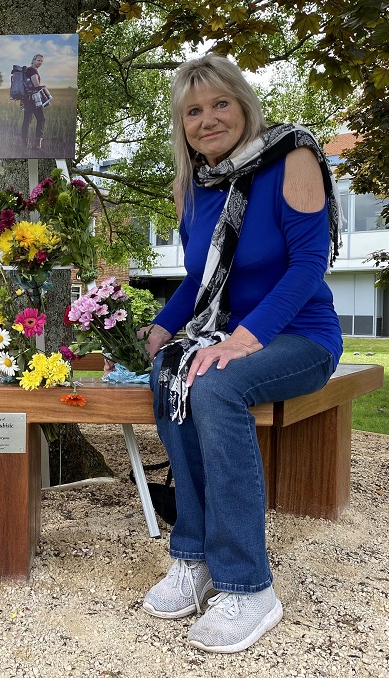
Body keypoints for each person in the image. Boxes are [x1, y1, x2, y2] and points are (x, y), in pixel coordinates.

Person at [140, 54, 343, 654]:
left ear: (244, 105)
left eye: (219, 103)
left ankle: (248, 584)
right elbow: (197, 282)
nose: (207, 120)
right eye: (193, 111)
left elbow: (309, 266)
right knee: (169, 370)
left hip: (300, 335)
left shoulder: (291, 157)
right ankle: (195, 555)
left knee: (216, 384)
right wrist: (160, 329)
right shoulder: (196, 188)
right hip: (231, 334)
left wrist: (244, 339)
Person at [20, 54, 52, 150]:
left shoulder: (27, 70)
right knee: (41, 119)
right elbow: (35, 85)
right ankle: (37, 144)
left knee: (27, 121)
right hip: (34, 100)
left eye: (42, 61)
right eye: (38, 60)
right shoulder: (32, 70)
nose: (40, 62)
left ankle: (25, 143)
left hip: (26, 100)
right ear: (33, 60)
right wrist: (42, 88)